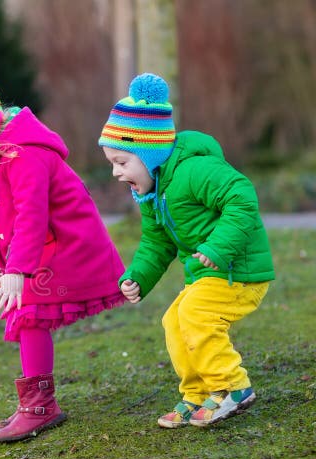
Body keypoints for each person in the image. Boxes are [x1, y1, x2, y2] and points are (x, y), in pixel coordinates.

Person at [0, 47, 126, 442]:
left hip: (69, 244)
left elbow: (31, 216)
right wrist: (3, 265)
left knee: (30, 310)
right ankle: (35, 402)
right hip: (42, 247)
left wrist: (19, 270)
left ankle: (39, 406)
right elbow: (2, 217)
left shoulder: (24, 154)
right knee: (25, 313)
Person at [99, 72, 275, 428]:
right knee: (174, 320)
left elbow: (242, 198)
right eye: (112, 164)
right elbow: (156, 242)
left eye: (121, 162)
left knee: (195, 314)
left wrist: (218, 247)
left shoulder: (194, 169)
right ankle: (197, 393)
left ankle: (232, 387)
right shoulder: (152, 192)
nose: (117, 173)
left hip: (237, 269)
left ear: (149, 154)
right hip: (208, 273)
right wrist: (138, 277)